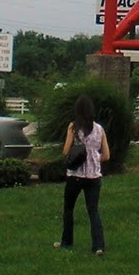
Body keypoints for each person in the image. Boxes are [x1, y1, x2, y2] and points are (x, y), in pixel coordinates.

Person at [54, 94, 110, 254]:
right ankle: (98, 246)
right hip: (94, 177)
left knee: (69, 208)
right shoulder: (100, 129)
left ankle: (67, 242)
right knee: (93, 210)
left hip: (75, 175)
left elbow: (66, 151)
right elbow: (106, 155)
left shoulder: (73, 127)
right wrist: (94, 156)